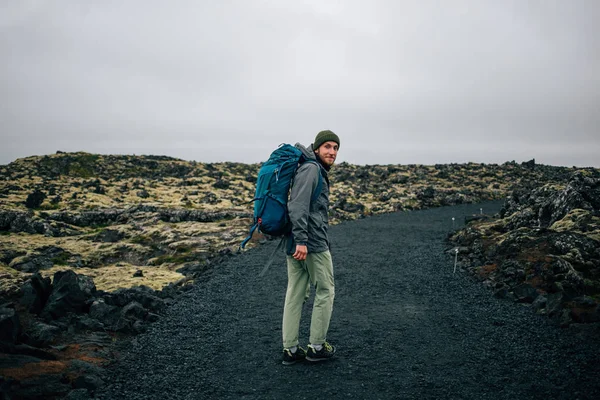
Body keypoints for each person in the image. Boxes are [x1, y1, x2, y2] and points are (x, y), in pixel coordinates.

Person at [281, 130, 340, 365]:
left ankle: (291, 350)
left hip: (298, 241)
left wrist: (297, 239)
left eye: (336, 148)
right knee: (325, 290)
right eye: (327, 146)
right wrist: (302, 241)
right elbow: (298, 206)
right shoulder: (312, 169)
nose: (332, 152)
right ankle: (316, 347)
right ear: (316, 148)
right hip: (311, 243)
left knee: (295, 294)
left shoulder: (309, 168)